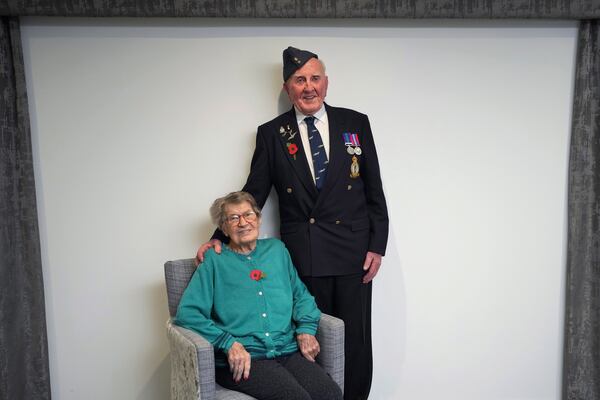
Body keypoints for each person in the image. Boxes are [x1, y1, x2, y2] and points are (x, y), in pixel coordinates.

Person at [196, 47, 389, 400]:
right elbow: (254, 189)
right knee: (309, 341)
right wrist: (217, 236)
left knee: (354, 341)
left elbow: (373, 187)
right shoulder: (272, 133)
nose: (309, 86)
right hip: (306, 254)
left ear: (326, 83)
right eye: (300, 80)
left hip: (354, 252)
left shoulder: (355, 123)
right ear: (288, 88)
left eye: (315, 78)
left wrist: (378, 245)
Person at [176, 191, 342, 400]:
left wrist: (307, 329)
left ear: (259, 218)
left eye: (248, 214)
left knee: (330, 394)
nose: (243, 222)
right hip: (244, 358)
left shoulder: (277, 250)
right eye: (233, 218)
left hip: (287, 350)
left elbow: (301, 295)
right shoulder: (214, 261)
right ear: (223, 227)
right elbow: (188, 313)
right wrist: (228, 343)